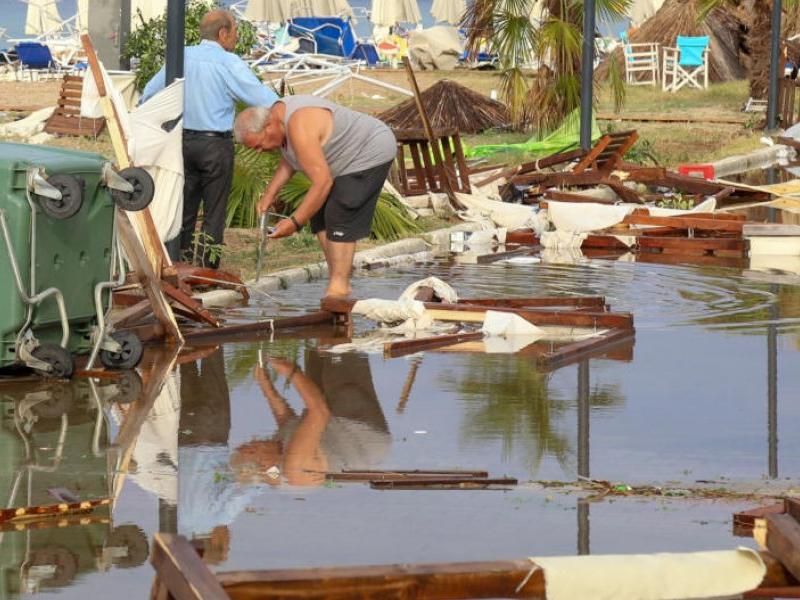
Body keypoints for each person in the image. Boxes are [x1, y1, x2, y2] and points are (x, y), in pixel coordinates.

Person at [141, 9, 278, 268]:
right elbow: (261, 98)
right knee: (215, 212)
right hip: (215, 145)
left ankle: (177, 264)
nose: (237, 37)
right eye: (235, 31)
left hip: (182, 142)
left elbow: (149, 93)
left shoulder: (182, 55)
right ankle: (207, 270)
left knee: (183, 208)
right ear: (223, 33)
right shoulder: (227, 62)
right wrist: (290, 109)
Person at [233, 96, 397, 298]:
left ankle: (339, 288)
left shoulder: (299, 125)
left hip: (370, 149)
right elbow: (290, 159)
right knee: (319, 214)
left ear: (269, 125)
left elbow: (323, 182)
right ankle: (338, 279)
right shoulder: (278, 118)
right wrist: (269, 195)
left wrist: (294, 222)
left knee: (340, 209)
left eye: (259, 145)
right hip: (342, 162)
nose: (260, 151)